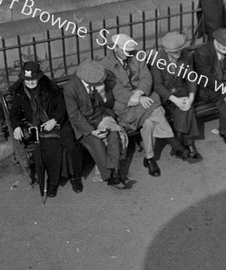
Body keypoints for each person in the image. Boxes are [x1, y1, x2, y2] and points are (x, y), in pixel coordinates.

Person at [99, 34, 189, 177]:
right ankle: (173, 143)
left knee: (148, 122)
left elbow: (146, 77)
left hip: (142, 98)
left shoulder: (136, 55)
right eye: (125, 51)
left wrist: (139, 93)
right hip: (125, 105)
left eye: (130, 51)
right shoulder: (106, 64)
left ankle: (150, 158)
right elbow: (116, 90)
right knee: (156, 110)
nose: (129, 54)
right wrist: (135, 97)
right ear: (115, 48)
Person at [10, 61, 84, 198]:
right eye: (27, 80)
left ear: (38, 77)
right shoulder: (19, 93)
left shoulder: (50, 88)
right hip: (39, 127)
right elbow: (14, 113)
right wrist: (16, 126)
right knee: (50, 147)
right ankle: (52, 182)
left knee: (71, 145)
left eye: (33, 79)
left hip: (58, 121)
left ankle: (75, 177)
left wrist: (55, 119)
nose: (30, 82)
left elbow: (62, 106)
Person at [63, 58, 130, 188]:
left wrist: (103, 94)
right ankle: (109, 176)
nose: (100, 82)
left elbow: (108, 104)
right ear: (87, 80)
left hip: (100, 117)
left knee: (114, 135)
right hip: (83, 124)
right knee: (97, 143)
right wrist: (92, 131)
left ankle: (115, 173)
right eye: (97, 82)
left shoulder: (99, 81)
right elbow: (74, 115)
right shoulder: (70, 88)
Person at [151, 31, 202, 161]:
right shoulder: (157, 59)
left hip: (181, 91)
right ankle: (188, 143)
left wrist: (191, 97)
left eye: (180, 50)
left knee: (186, 107)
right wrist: (175, 100)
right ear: (166, 50)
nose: (178, 54)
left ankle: (180, 143)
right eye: (175, 52)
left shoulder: (186, 56)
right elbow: (158, 86)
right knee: (182, 108)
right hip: (166, 95)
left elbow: (191, 78)